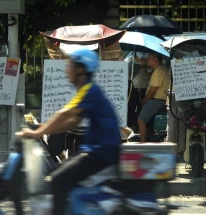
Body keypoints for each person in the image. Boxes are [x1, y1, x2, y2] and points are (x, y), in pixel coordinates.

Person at [16, 48, 121, 215]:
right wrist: (43, 130)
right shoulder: (88, 90)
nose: (67, 69)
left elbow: (65, 113)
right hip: (98, 151)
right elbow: (72, 122)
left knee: (58, 179)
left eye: (70, 65)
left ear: (81, 69)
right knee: (60, 170)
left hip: (100, 153)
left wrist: (36, 133)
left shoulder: (89, 90)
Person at [138, 52, 170, 142]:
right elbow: (151, 79)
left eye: (149, 58)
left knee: (141, 120)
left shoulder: (159, 71)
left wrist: (144, 101)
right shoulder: (160, 70)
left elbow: (152, 91)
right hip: (161, 100)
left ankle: (142, 144)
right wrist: (144, 70)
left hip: (157, 100)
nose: (147, 60)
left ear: (155, 59)